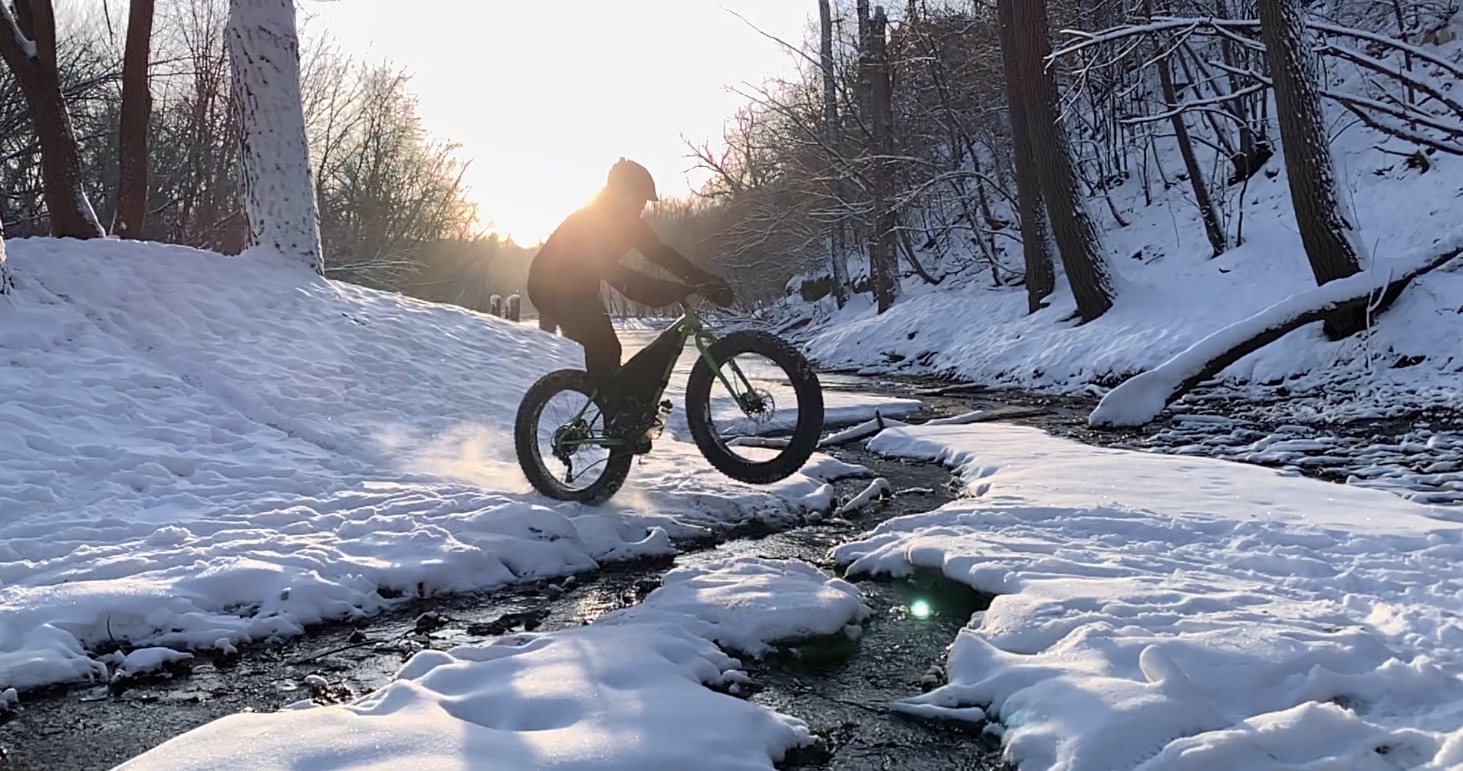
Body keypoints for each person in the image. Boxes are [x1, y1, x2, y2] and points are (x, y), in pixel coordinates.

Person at [527, 158, 733, 438]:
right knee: (605, 345)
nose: (642, 208)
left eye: (645, 202)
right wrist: (670, 291)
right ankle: (617, 418)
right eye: (638, 200)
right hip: (550, 288)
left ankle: (623, 414)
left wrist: (703, 280)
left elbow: (662, 254)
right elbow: (617, 276)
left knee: (609, 351)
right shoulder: (589, 223)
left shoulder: (630, 224)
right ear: (618, 194)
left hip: (581, 289)